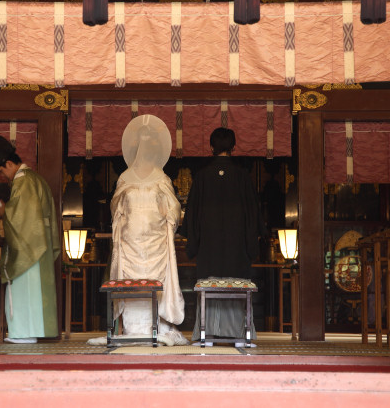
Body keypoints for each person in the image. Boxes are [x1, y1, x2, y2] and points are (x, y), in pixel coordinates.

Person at [94, 114, 187, 346]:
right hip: (130, 240)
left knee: (156, 281)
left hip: (156, 241)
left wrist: (169, 216)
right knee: (131, 280)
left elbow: (173, 206)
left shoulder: (161, 177)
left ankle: (158, 326)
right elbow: (115, 205)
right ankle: (131, 327)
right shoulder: (125, 177)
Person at [180, 127, 264, 346]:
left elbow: (191, 216)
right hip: (237, 250)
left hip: (209, 249)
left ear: (211, 148)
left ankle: (206, 335)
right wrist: (251, 245)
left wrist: (194, 242)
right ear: (234, 148)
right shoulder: (243, 177)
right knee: (237, 284)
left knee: (210, 283)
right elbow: (253, 215)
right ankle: (240, 335)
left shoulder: (201, 177)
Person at [0, 135, 59, 344]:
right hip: (39, 242)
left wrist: (1, 208)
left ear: (8, 163)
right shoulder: (36, 178)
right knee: (35, 289)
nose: (3, 175)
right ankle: (32, 330)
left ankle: (25, 332)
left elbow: (20, 216)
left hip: (30, 246)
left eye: (1, 170)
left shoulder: (23, 180)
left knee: (25, 288)